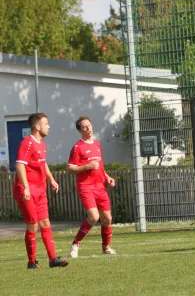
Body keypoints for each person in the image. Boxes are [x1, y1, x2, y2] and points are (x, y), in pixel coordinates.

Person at [13, 113, 68, 269]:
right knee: (33, 225)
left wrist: (51, 179)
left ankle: (53, 259)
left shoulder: (41, 143)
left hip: (40, 190)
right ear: (37, 126)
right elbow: (20, 165)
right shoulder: (27, 142)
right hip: (27, 190)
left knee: (45, 222)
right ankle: (31, 261)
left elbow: (43, 164)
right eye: (46, 123)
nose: (49, 126)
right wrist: (26, 188)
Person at [67, 116, 117, 257]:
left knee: (107, 219)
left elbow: (100, 167)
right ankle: (75, 244)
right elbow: (70, 168)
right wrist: (87, 166)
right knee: (94, 217)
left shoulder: (97, 145)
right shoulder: (77, 147)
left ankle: (106, 247)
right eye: (85, 127)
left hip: (100, 187)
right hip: (86, 186)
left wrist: (107, 177)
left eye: (89, 125)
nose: (89, 128)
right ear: (79, 130)